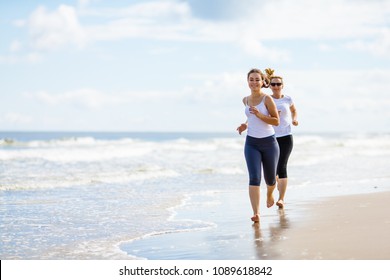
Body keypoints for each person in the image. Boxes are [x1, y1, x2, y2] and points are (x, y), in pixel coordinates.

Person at [237, 68, 280, 223]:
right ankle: (257, 213)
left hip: (269, 143)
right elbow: (251, 118)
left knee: (269, 180)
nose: (254, 82)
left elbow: (276, 120)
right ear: (247, 81)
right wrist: (245, 125)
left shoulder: (267, 99)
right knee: (254, 177)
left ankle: (270, 193)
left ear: (263, 82)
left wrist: (260, 115)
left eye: (257, 79)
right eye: (251, 79)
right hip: (251, 143)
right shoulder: (245, 100)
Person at [269, 73, 298, 209]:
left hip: (286, 136)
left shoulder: (287, 99)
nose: (276, 86)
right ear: (269, 85)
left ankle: (281, 199)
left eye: (278, 84)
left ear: (282, 85)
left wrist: (294, 119)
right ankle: (277, 188)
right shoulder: (267, 99)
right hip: (270, 137)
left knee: (282, 166)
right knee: (272, 170)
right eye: (273, 84)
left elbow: (294, 110)